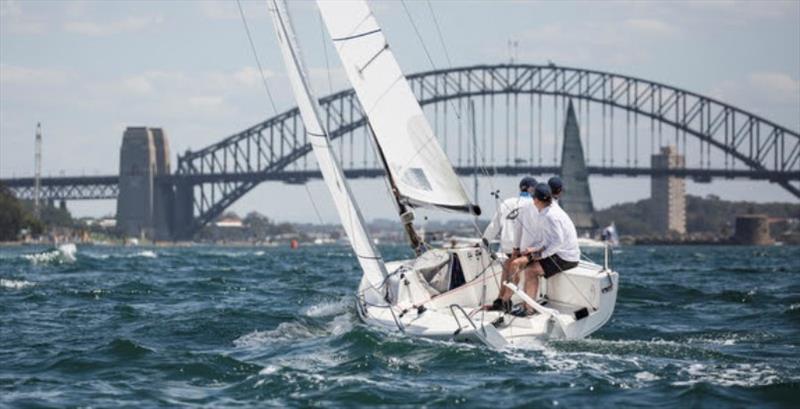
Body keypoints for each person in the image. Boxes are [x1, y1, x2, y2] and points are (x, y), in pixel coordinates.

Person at [508, 182, 580, 316]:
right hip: (559, 252)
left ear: (535, 200)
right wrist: (533, 249)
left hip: (566, 257)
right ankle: (525, 305)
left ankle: (528, 309)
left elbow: (558, 242)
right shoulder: (547, 211)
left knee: (531, 270)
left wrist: (541, 255)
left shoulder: (550, 216)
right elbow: (548, 239)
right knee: (527, 264)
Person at [484, 176, 537, 312]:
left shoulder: (506, 202)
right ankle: (506, 301)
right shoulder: (534, 204)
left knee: (508, 266)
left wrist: (483, 243)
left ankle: (500, 299)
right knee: (520, 270)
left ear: (520, 189)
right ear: (532, 189)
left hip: (507, 246)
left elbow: (493, 227)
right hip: (523, 248)